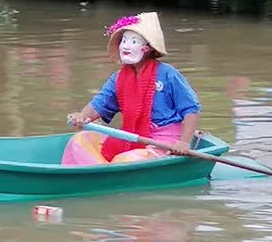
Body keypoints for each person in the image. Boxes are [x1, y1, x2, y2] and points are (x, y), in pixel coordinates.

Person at [62, 11, 201, 165]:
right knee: (79, 140)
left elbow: (191, 110)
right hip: (131, 135)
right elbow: (99, 105)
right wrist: (81, 116)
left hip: (165, 140)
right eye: (124, 41)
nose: (126, 47)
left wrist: (184, 143)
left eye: (134, 42)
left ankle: (109, 172)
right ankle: (97, 174)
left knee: (126, 160)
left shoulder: (169, 74)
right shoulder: (118, 78)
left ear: (147, 48)